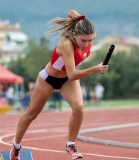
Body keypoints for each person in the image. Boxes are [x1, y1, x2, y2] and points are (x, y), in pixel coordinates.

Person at [9, 9, 109, 160]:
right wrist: (95, 68)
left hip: (67, 81)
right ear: (75, 35)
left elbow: (72, 12)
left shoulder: (83, 30)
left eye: (90, 40)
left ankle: (70, 145)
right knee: (31, 114)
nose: (87, 44)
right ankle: (16, 146)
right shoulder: (66, 44)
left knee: (79, 107)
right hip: (48, 79)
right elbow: (73, 74)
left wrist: (78, 17)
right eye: (83, 41)